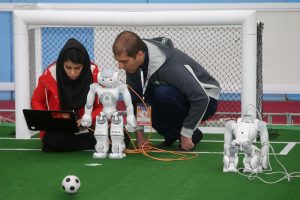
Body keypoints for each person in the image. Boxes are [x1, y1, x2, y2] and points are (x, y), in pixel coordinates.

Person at [112, 31, 220, 151]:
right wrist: (140, 137)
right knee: (146, 98)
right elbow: (137, 99)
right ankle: (172, 134)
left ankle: (190, 135)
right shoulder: (134, 61)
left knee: (163, 94)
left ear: (139, 55)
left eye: (124, 62)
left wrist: (187, 133)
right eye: (118, 61)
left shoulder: (169, 67)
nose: (120, 67)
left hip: (207, 100)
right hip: (183, 96)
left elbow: (201, 98)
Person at [31, 38, 103, 152]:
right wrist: (48, 119)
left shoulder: (94, 74)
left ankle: (85, 141)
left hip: (89, 125)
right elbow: (36, 101)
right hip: (59, 128)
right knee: (51, 140)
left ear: (84, 65)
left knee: (122, 135)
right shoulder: (50, 75)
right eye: (68, 68)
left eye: (77, 68)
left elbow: (103, 106)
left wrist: (89, 118)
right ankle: (94, 142)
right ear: (61, 64)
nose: (72, 73)